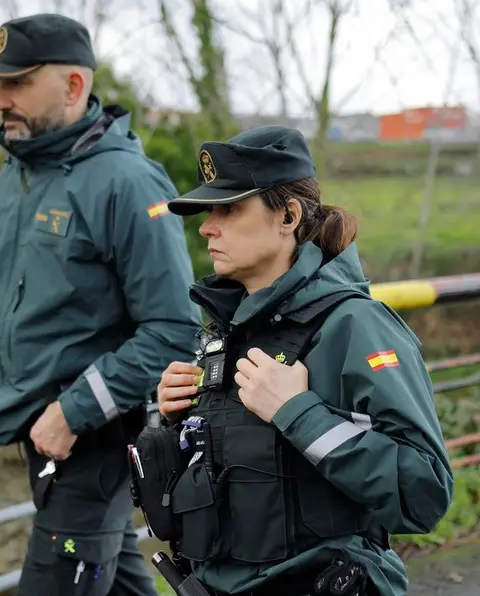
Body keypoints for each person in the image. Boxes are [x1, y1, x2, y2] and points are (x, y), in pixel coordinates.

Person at [0, 12, 202, 596]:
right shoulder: (17, 176)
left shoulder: (128, 183)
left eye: (16, 82)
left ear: (74, 86)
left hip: (93, 442)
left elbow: (174, 330)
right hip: (43, 437)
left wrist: (72, 411)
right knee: (117, 573)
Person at [151, 125, 454, 596]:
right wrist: (179, 423)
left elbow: (424, 495)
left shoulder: (355, 325)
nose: (208, 227)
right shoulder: (221, 332)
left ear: (288, 215)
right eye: (209, 211)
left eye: (229, 208)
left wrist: (299, 413)